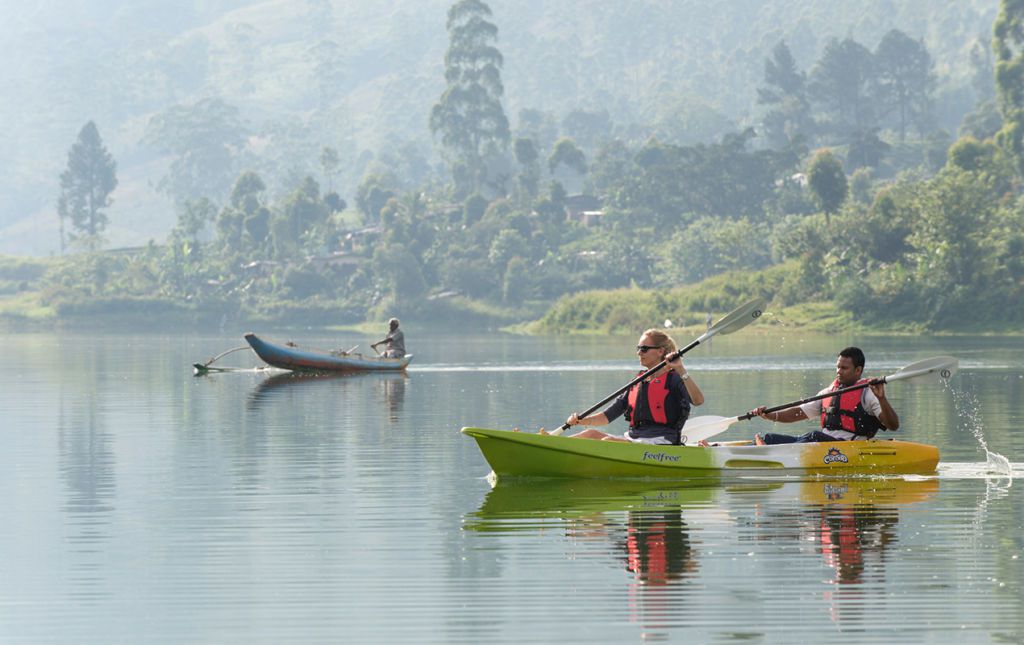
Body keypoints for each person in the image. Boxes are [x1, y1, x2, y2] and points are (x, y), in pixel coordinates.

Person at [563, 329, 702, 445]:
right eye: (638, 348)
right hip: (634, 438)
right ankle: (555, 445)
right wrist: (581, 420)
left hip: (661, 440)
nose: (639, 353)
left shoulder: (674, 379)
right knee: (589, 434)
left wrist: (681, 369)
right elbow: (607, 416)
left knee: (608, 442)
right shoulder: (638, 382)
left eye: (644, 349)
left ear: (660, 351)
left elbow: (698, 400)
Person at [751, 346, 899, 445]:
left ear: (858, 370)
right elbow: (797, 413)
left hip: (849, 448)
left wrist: (882, 398)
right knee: (770, 438)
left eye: (844, 368)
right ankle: (764, 446)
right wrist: (770, 415)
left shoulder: (869, 393)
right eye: (838, 367)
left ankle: (772, 451)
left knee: (814, 436)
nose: (839, 371)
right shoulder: (829, 392)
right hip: (821, 446)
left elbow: (893, 425)